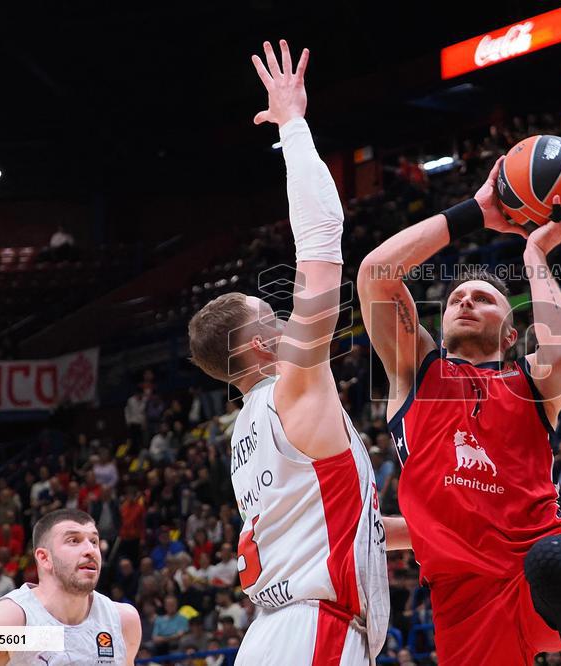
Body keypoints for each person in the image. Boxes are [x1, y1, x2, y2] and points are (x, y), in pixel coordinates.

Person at [185, 40, 405, 665]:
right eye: (273, 316)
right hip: (314, 635)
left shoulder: (246, 433)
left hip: (273, 637)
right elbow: (321, 238)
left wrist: (438, 532)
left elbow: (333, 531)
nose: (286, 320)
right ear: (259, 344)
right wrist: (293, 125)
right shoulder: (293, 388)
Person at [359, 138, 561, 661]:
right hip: (464, 601)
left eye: (483, 298)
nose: (466, 300)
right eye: (457, 298)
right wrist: (474, 212)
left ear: (509, 335)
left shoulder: (529, 385)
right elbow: (376, 275)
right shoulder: (419, 374)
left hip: (536, 573)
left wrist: (536, 253)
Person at [0, 509, 140, 666]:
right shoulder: (8, 621)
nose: (90, 550)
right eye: (74, 540)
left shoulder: (123, 620)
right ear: (44, 558)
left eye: (94, 541)